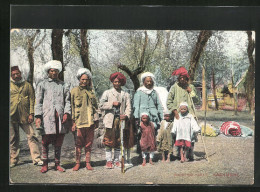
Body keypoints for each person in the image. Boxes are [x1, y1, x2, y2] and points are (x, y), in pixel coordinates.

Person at [35, 60, 71, 173]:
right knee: (45, 141)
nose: (54, 73)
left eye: (56, 71)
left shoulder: (64, 85)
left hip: (59, 118)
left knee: (58, 142)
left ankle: (57, 164)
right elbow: (39, 101)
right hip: (47, 117)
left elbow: (68, 101)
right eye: (52, 71)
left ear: (58, 72)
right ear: (48, 72)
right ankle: (45, 164)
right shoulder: (42, 84)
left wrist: (66, 113)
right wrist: (38, 116)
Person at [10, 66, 43, 168]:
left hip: (25, 116)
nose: (16, 76)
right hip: (11, 116)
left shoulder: (27, 85)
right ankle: (13, 160)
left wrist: (31, 113)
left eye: (18, 73)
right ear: (11, 75)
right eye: (14, 74)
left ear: (20, 73)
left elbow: (33, 100)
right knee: (13, 138)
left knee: (32, 136)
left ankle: (36, 159)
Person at [99, 72, 132, 169]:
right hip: (110, 120)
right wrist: (112, 104)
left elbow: (128, 107)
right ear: (112, 82)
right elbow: (101, 105)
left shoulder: (125, 94)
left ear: (121, 83)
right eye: (115, 82)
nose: (116, 83)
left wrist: (126, 115)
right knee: (109, 140)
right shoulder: (107, 93)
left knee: (119, 140)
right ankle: (109, 160)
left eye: (118, 82)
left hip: (120, 120)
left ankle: (117, 160)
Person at [167, 67, 199, 161]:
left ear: (187, 79)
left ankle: (190, 153)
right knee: (177, 133)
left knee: (191, 134)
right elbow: (169, 101)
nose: (182, 79)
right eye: (180, 78)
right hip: (178, 115)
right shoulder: (174, 87)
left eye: (184, 78)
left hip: (190, 115)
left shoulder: (191, 87)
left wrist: (191, 92)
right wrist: (175, 111)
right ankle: (178, 153)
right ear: (178, 78)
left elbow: (197, 101)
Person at [70, 68, 99, 171]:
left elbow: (96, 106)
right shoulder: (74, 91)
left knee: (88, 144)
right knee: (78, 144)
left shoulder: (91, 91)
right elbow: (72, 107)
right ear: (79, 79)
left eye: (86, 79)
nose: (84, 81)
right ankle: (77, 163)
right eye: (82, 79)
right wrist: (73, 122)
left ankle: (87, 162)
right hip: (79, 122)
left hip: (90, 122)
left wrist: (96, 120)